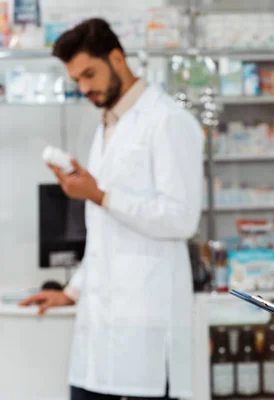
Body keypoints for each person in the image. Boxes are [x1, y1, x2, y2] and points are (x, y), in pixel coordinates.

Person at [19, 18, 204, 400]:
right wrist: (71, 291)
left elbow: (181, 218)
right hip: (100, 335)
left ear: (117, 58)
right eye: (77, 80)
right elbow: (107, 237)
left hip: (148, 334)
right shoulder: (107, 127)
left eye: (89, 74)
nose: (84, 88)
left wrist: (100, 195)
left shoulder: (168, 121)